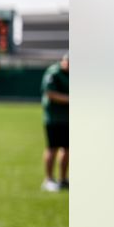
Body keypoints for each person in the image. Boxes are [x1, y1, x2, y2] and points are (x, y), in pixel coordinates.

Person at [41, 53, 69, 191]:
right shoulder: (54, 73)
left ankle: (63, 179)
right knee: (52, 148)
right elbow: (50, 93)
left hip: (68, 118)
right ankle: (48, 179)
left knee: (67, 149)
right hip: (54, 118)